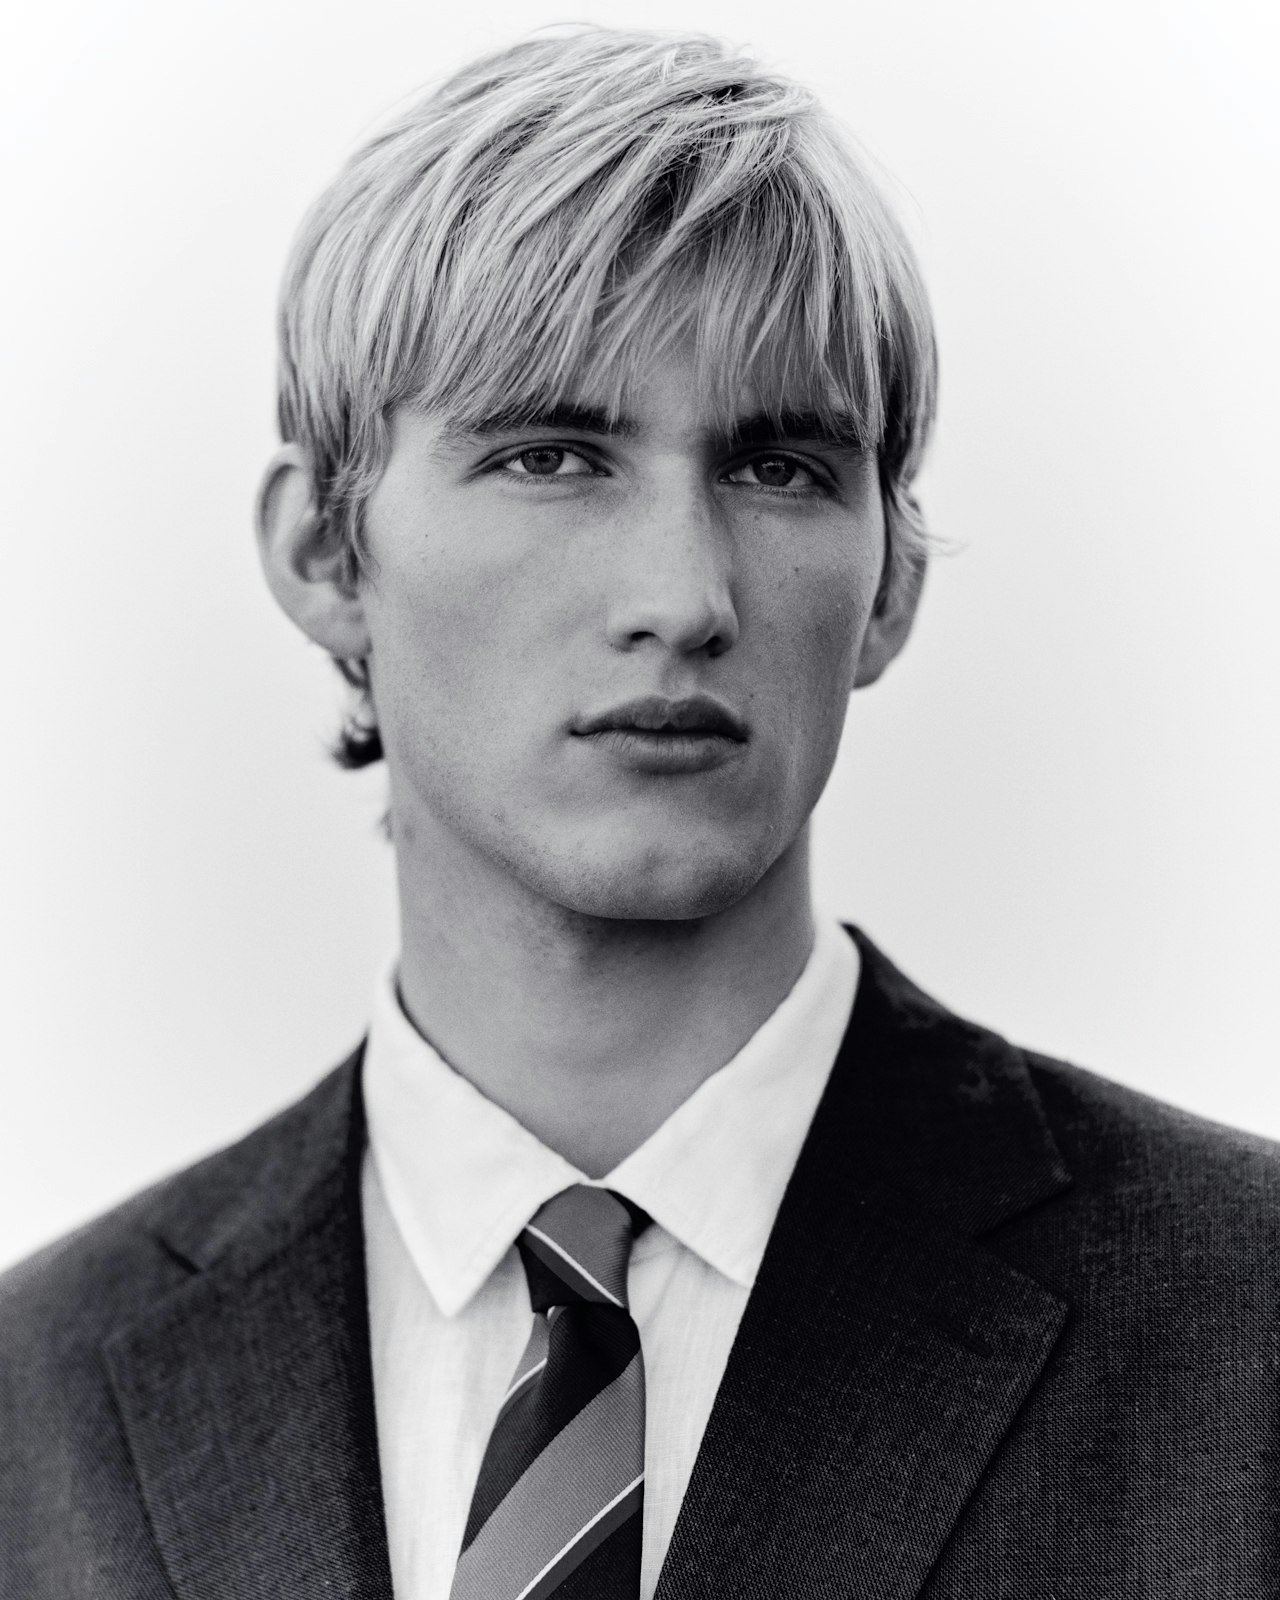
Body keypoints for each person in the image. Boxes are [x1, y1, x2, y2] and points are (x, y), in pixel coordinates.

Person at [1, 24, 1276, 1599]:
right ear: (328, 560)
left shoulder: (1248, 1331)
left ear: (894, 586)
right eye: (553, 454)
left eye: (783, 468)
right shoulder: (32, 1404)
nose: (683, 596)